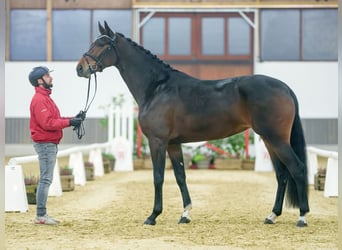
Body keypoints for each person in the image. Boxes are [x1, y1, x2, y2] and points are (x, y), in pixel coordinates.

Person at [28, 66, 84, 225]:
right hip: (45, 143)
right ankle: (40, 215)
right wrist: (69, 122)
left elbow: (55, 118)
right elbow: (48, 123)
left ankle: (41, 214)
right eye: (47, 76)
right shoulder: (39, 100)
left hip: (49, 142)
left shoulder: (45, 98)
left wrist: (74, 118)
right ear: (40, 81)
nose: (50, 78)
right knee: (46, 179)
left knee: (46, 178)